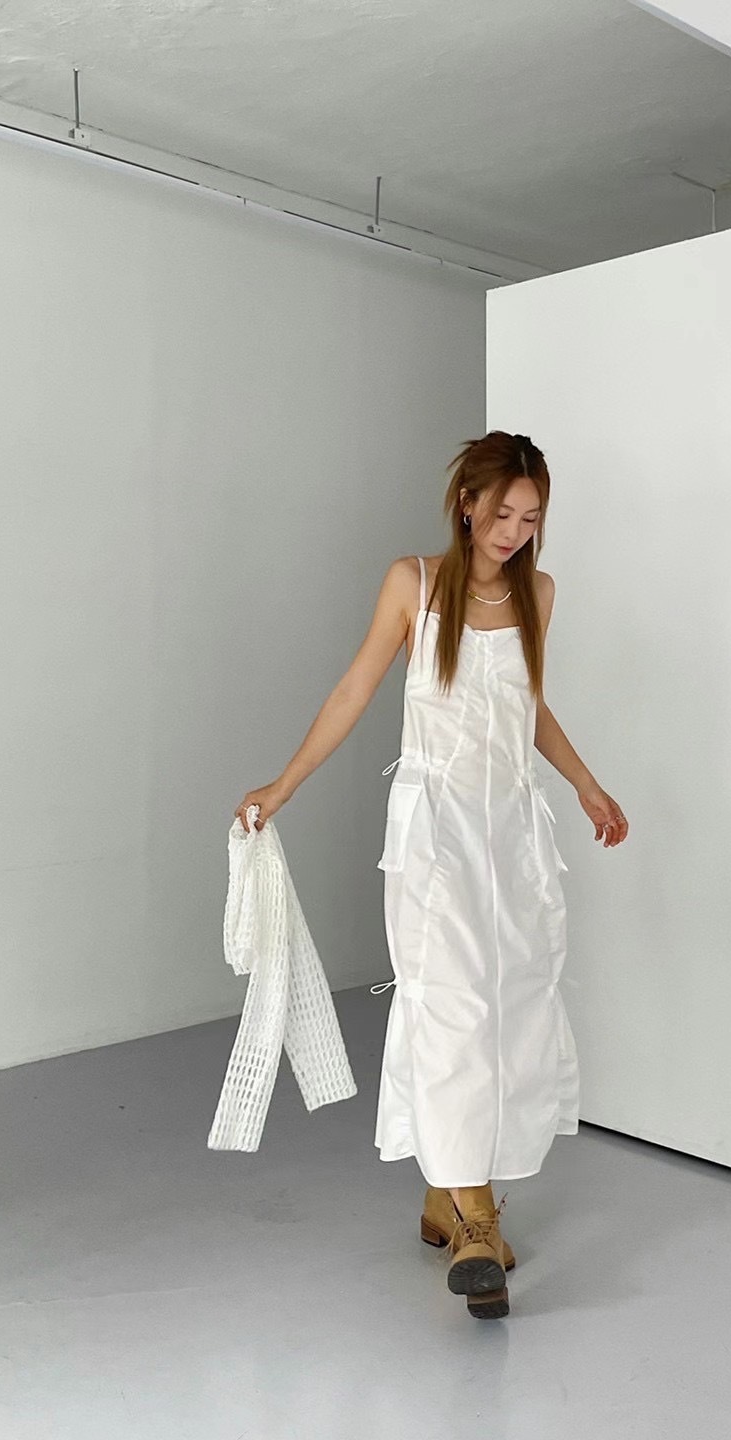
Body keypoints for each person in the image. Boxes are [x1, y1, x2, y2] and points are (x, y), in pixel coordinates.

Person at [235, 431, 628, 1319]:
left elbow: (526, 706)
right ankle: (478, 1221)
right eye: (503, 513)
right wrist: (282, 786)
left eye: (531, 518)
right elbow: (354, 690)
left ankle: (442, 1193)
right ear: (467, 504)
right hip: (435, 833)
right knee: (451, 1005)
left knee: (511, 1006)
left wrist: (585, 783)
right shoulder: (413, 584)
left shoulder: (538, 593)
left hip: (512, 834)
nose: (514, 532)